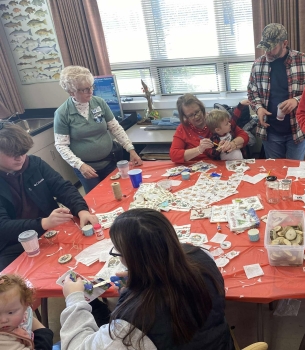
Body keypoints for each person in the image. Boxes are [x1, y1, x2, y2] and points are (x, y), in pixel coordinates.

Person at [60, 208, 234, 349]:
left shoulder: (134, 323)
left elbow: (76, 347)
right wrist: (141, 279)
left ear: (132, 258)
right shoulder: (201, 255)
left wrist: (74, 299)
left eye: (118, 252)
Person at [0, 124, 98, 270]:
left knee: (86, 261)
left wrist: (81, 210)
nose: (20, 158)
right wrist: (43, 223)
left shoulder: (34, 163)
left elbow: (63, 188)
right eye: (13, 154)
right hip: (13, 244)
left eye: (23, 152)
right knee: (20, 286)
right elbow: (3, 227)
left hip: (51, 231)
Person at [54, 66, 142, 194]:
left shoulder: (99, 103)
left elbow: (116, 128)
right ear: (72, 92)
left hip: (109, 160)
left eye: (91, 87)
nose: (90, 91)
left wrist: (130, 150)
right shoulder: (63, 113)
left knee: (119, 192)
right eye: (84, 89)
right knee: (97, 197)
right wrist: (80, 165)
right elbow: (61, 145)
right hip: (87, 167)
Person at [247, 23, 305, 160]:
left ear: (285, 43)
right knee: (275, 172)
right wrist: (258, 108)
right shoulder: (258, 65)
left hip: (297, 129)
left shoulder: (304, 61)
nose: (267, 52)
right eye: (265, 48)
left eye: (272, 48)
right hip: (270, 132)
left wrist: (296, 101)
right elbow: (252, 92)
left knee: (295, 172)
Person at [170, 93, 249, 163]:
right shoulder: (182, 129)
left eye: (197, 111)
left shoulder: (215, 120)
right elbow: (174, 155)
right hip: (195, 168)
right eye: (191, 115)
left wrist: (232, 144)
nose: (197, 116)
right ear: (185, 117)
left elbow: (244, 136)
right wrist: (199, 149)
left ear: (202, 108)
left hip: (219, 166)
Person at [0, 274, 53, 349]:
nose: (3, 320)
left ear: (25, 305)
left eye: (10, 312)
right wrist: (44, 333)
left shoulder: (25, 311)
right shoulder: (3, 342)